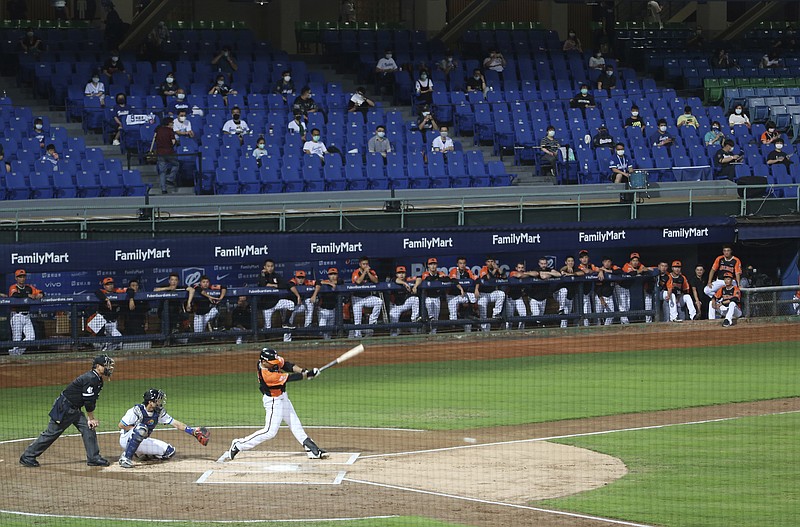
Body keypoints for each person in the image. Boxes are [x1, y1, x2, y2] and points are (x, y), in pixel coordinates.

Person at [228, 348, 326, 461]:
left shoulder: (270, 360)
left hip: (283, 397)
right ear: (263, 362)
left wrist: (303, 371)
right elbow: (289, 378)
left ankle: (311, 448)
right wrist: (308, 374)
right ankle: (238, 444)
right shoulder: (267, 375)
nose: (274, 364)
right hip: (273, 402)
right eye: (272, 363)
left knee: (295, 423)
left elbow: (288, 365)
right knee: (270, 431)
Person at [20, 354, 115, 468]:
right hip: (64, 409)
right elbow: (88, 401)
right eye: (106, 366)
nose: (108, 368)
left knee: (88, 429)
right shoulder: (90, 378)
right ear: (98, 366)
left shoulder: (97, 379)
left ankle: (93, 458)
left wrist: (90, 419)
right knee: (51, 433)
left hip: (74, 409)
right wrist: (91, 418)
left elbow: (92, 400)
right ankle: (28, 456)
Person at [118, 388, 209, 468]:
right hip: (126, 439)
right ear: (150, 402)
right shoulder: (136, 411)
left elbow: (175, 423)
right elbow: (121, 425)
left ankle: (140, 453)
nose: (159, 402)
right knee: (141, 429)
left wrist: (192, 432)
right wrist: (136, 430)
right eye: (157, 400)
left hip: (142, 441)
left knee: (169, 452)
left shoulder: (158, 412)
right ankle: (125, 458)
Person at [7, 269, 44, 356]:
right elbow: (15, 295)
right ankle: (15, 355)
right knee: (17, 340)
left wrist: (40, 295)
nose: (22, 278)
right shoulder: (13, 287)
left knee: (31, 337)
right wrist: (28, 295)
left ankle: (15, 354)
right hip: (17, 315)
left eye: (23, 276)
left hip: (27, 316)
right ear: (16, 278)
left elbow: (41, 292)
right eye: (20, 277)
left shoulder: (29, 287)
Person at [258, 259, 296, 335]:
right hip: (266, 305)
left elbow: (285, 285)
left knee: (291, 304)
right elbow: (262, 284)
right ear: (264, 267)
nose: (270, 268)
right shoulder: (262, 276)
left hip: (276, 301)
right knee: (267, 327)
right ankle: (266, 343)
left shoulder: (276, 275)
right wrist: (262, 274)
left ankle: (286, 322)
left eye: (272, 266)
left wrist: (273, 285)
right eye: (268, 266)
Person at [350, 256, 383, 338]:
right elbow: (358, 281)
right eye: (363, 264)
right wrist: (364, 272)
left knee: (379, 301)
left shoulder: (371, 271)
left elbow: (376, 281)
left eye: (366, 264)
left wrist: (368, 272)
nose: (365, 265)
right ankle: (358, 336)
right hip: (357, 298)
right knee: (357, 320)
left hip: (367, 297)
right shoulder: (356, 272)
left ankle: (372, 322)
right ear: (360, 264)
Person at [87, 277, 123, 350]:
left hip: (114, 322)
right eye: (107, 284)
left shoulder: (117, 291)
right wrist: (106, 299)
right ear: (104, 286)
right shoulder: (102, 292)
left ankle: (105, 352)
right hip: (104, 322)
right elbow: (97, 291)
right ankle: (104, 351)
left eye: (111, 284)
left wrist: (131, 298)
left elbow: (128, 290)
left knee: (114, 341)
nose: (110, 286)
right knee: (117, 338)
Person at [414, 257, 448, 332]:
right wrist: (415, 286)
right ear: (428, 266)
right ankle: (428, 321)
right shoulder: (425, 274)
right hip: (428, 298)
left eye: (434, 264)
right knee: (431, 315)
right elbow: (421, 278)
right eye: (431, 264)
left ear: (437, 265)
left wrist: (440, 278)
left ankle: (433, 334)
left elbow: (447, 279)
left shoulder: (440, 273)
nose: (433, 266)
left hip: (437, 298)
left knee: (435, 319)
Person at [447, 257, 478, 332]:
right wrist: (461, 288)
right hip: (452, 296)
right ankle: (453, 330)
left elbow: (477, 279)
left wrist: (476, 289)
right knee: (453, 315)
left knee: (474, 298)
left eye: (464, 263)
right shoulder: (454, 270)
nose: (462, 265)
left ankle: (473, 312)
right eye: (460, 263)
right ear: (457, 264)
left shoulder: (468, 271)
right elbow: (453, 280)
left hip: (462, 295)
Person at [309, 268, 342, 339]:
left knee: (330, 330)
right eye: (331, 274)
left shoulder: (340, 282)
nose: (333, 276)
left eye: (334, 274)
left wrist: (333, 284)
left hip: (333, 310)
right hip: (323, 310)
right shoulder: (324, 282)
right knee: (322, 329)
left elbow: (340, 282)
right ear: (328, 275)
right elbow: (318, 282)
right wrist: (330, 283)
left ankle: (327, 345)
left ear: (337, 275)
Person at [476, 257, 506, 331]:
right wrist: (495, 270)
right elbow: (487, 278)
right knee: (483, 314)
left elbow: (505, 277)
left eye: (492, 261)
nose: (490, 263)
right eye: (488, 261)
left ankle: (496, 314)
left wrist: (498, 269)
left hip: (492, 293)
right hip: (483, 294)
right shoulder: (484, 269)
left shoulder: (497, 269)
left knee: (501, 294)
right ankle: (484, 330)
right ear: (486, 263)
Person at [619, 252, 651, 324]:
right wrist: (641, 270)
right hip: (620, 287)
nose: (635, 262)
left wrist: (645, 269)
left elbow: (647, 271)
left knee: (628, 306)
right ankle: (624, 323)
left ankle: (626, 322)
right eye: (633, 260)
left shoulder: (640, 265)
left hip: (628, 287)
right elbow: (631, 274)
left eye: (636, 260)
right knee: (623, 305)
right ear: (630, 261)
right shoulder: (626, 266)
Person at [389, 266, 421, 336]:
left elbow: (419, 278)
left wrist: (415, 286)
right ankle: (394, 335)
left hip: (405, 304)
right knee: (394, 329)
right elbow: (396, 280)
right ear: (396, 274)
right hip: (396, 306)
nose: (401, 275)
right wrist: (405, 283)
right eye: (399, 273)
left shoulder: (408, 279)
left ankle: (414, 320)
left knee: (415, 299)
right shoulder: (393, 280)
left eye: (403, 273)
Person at [286, 270, 316, 341]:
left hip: (301, 306)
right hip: (291, 307)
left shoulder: (307, 282)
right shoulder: (292, 281)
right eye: (299, 277)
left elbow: (318, 283)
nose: (300, 279)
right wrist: (298, 296)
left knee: (309, 302)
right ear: (295, 277)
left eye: (302, 277)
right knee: (289, 322)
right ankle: (287, 340)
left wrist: (314, 295)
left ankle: (307, 326)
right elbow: (290, 285)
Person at [555, 255, 585, 328]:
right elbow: (561, 270)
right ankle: (560, 308)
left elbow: (582, 273)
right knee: (564, 290)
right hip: (559, 295)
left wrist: (570, 274)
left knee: (566, 314)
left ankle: (563, 329)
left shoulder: (576, 269)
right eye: (569, 261)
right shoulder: (563, 268)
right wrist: (566, 269)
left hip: (569, 297)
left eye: (572, 261)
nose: (570, 262)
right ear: (566, 262)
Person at [528, 257, 561, 323]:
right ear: (539, 264)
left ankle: (538, 330)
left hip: (543, 299)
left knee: (540, 318)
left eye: (545, 263)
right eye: (542, 263)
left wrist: (549, 273)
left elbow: (559, 274)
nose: (543, 265)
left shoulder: (549, 269)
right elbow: (543, 277)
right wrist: (549, 274)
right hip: (534, 298)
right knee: (536, 316)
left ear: (547, 264)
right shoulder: (536, 269)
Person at [578, 250, 604, 326]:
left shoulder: (591, 265)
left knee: (590, 310)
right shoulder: (579, 266)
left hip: (589, 291)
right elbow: (586, 271)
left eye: (586, 257)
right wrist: (593, 271)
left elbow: (599, 269)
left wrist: (601, 272)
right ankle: (585, 326)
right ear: (580, 259)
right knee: (585, 310)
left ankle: (593, 325)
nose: (584, 259)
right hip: (581, 292)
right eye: (582, 258)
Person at [153, 116, 178, 193]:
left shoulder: (158, 130)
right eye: (172, 123)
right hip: (169, 152)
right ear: (169, 123)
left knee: (162, 171)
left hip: (160, 152)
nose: (173, 124)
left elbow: (155, 139)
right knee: (176, 164)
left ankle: (163, 189)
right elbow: (173, 142)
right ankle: (170, 178)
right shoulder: (170, 131)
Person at [593, 257, 620, 325]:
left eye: (609, 262)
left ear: (611, 263)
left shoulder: (613, 270)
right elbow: (597, 288)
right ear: (603, 263)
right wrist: (601, 299)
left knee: (611, 315)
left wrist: (606, 271)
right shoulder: (599, 272)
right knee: (598, 317)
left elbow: (620, 271)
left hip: (609, 297)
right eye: (605, 262)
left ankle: (606, 328)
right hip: (600, 297)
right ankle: (598, 330)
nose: (607, 263)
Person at [503, 262, 531, 330]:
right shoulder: (512, 273)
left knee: (523, 315)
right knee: (509, 318)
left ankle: (521, 331)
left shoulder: (525, 276)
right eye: (519, 268)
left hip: (519, 298)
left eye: (522, 268)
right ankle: (507, 332)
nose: (520, 269)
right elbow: (518, 275)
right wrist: (528, 274)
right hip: (510, 298)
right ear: (516, 268)